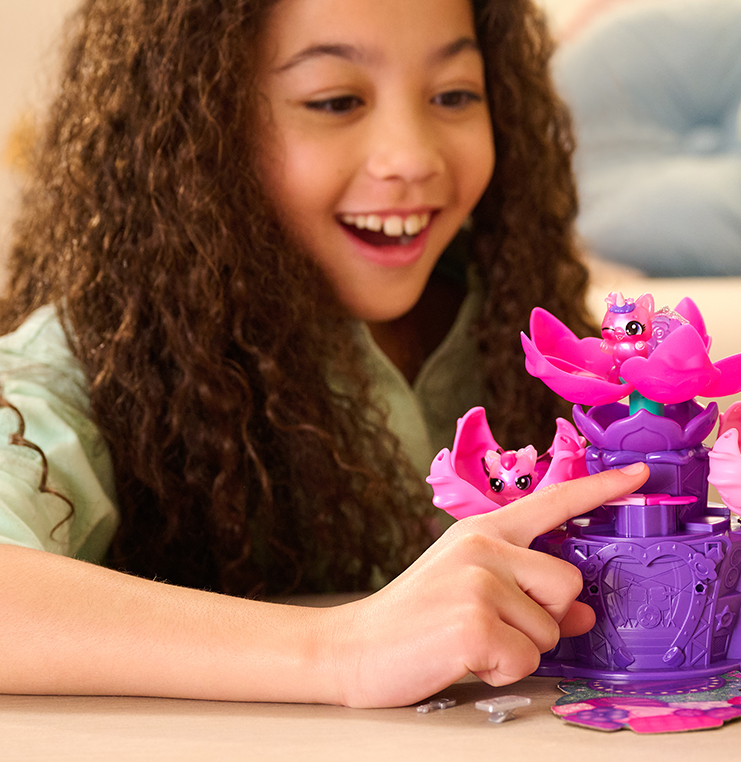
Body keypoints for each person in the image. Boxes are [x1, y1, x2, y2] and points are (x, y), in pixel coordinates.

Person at [0, 0, 648, 707]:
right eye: (335, 100)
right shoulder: (97, 358)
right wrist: (339, 649)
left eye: (454, 94)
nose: (412, 158)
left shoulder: (527, 324)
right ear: (200, 129)